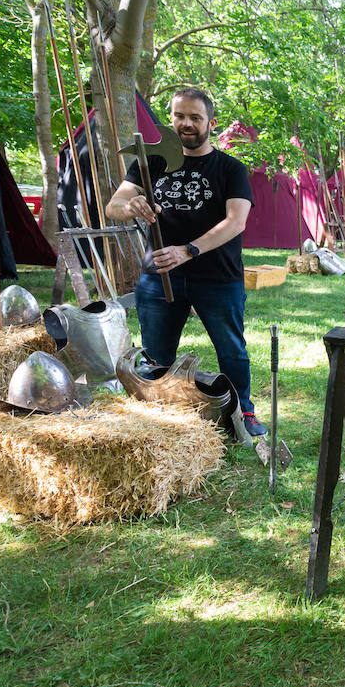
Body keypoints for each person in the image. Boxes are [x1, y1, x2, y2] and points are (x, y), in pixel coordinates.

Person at [105, 87, 263, 436]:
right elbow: (113, 206)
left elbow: (236, 221)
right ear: (171, 118)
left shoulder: (229, 168)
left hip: (217, 276)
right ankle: (157, 416)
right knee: (156, 355)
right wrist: (131, 206)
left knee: (231, 351)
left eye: (195, 117)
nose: (186, 124)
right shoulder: (150, 163)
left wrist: (188, 250)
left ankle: (244, 414)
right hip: (159, 276)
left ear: (211, 123)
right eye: (179, 116)